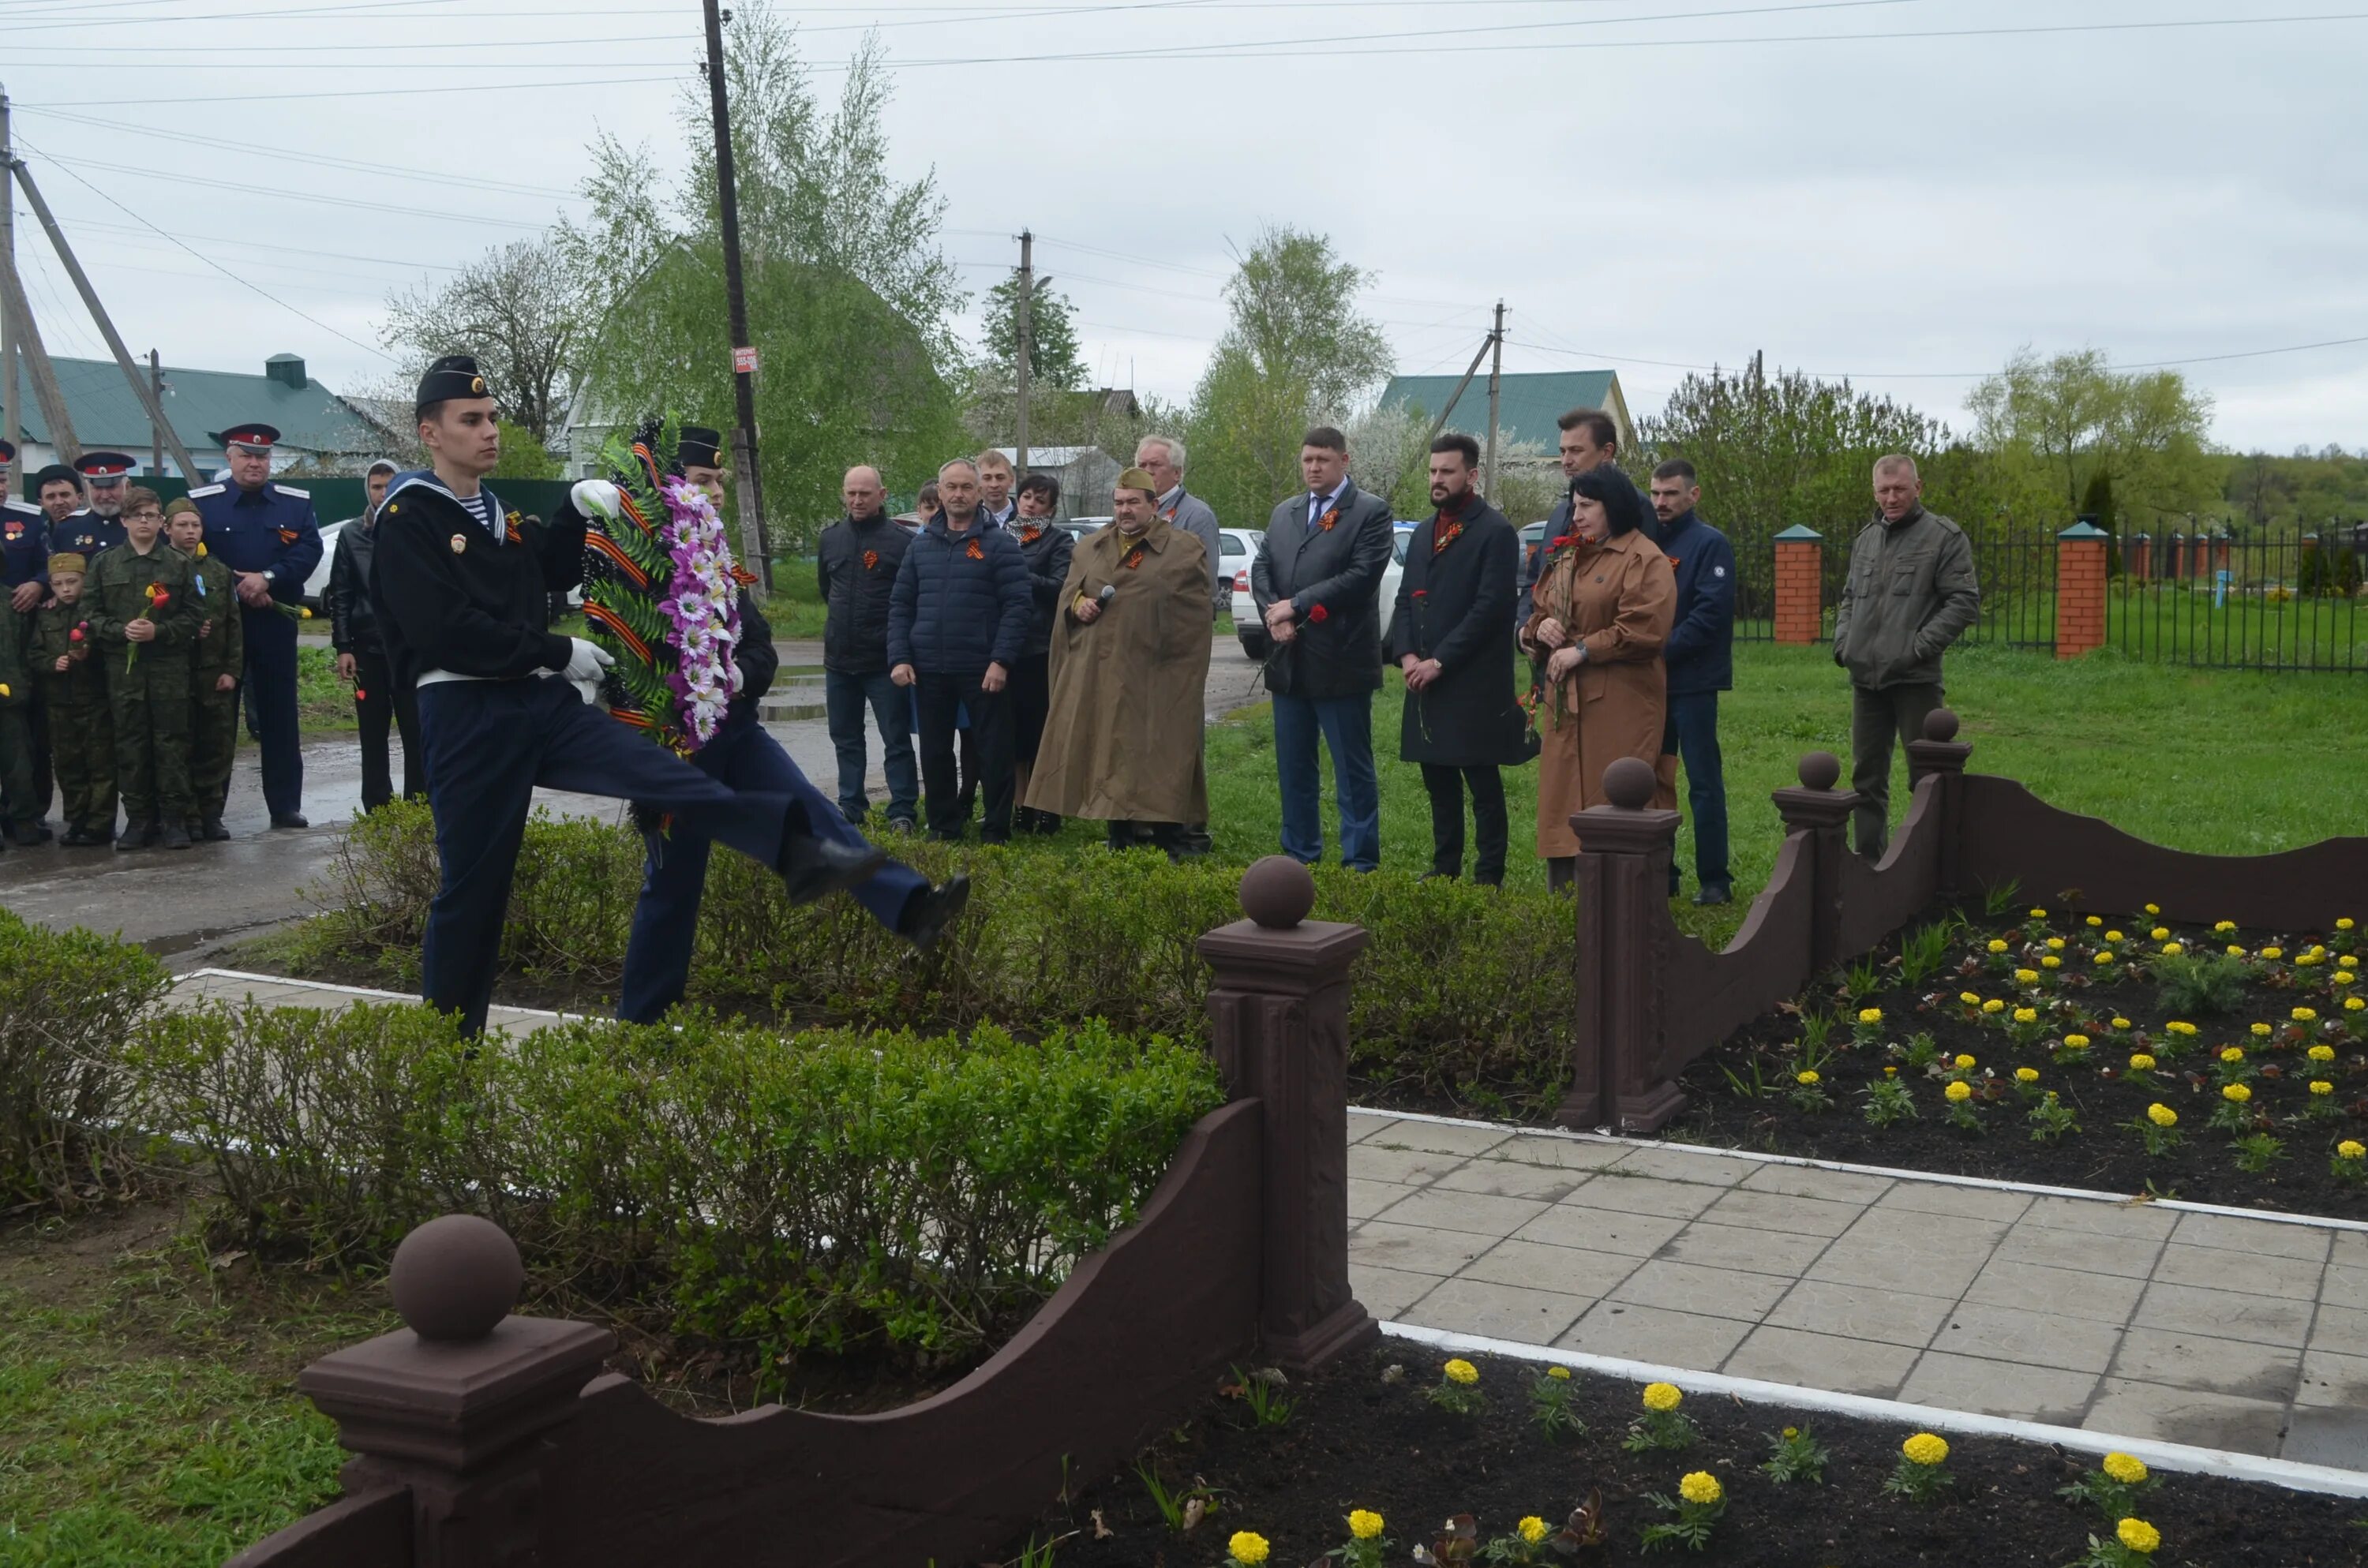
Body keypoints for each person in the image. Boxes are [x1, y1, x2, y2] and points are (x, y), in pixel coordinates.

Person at [369, 354, 886, 1035]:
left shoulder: (493, 511)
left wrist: (576, 507)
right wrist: (559, 651)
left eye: (492, 417)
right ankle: (446, 1055)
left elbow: (547, 570)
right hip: (467, 713)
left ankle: (799, 857)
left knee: (668, 775)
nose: (489, 431)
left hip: (538, 701)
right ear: (430, 433)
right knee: (473, 893)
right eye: (472, 421)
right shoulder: (410, 516)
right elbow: (442, 631)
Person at [617, 430, 968, 1025]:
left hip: (735, 729)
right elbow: (634, 653)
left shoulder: (717, 558)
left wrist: (732, 678)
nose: (717, 493)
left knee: (814, 810)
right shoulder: (647, 560)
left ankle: (911, 907)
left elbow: (759, 646)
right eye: (704, 482)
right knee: (673, 885)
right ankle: (644, 1022)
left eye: (720, 482)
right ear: (671, 489)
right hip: (676, 748)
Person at [1025, 467, 1210, 857]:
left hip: (1157, 673)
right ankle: (1120, 834)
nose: (1125, 511)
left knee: (1160, 750)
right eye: (1119, 503)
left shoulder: (1185, 548)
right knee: (1109, 749)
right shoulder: (1090, 547)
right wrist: (1078, 604)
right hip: (1102, 671)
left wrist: (1173, 662)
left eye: (1133, 503)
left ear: (1153, 505)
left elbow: (1194, 617)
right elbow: (1069, 595)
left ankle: (1170, 837)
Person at [1521, 466, 1676, 892]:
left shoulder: (1644, 557)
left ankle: (1627, 907)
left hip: (1620, 705)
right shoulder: (1569, 555)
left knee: (1619, 797)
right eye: (1575, 506)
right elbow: (1540, 609)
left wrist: (1584, 649)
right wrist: (1537, 631)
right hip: (1567, 710)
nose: (1578, 516)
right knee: (1563, 805)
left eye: (1588, 506)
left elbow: (1645, 628)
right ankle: (1567, 910)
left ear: (1616, 506)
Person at [1250, 425, 1394, 872]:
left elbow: (1361, 576)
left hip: (1341, 659)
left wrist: (1296, 605)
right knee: (1294, 767)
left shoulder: (1370, 512)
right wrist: (1273, 615)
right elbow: (1261, 566)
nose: (1313, 467)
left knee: (1352, 770)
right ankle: (1299, 855)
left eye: (1323, 460)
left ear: (1344, 461)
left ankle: (1360, 862)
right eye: (1308, 459)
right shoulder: (1285, 512)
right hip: (1288, 659)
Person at [1390, 435, 1527, 886]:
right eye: (1432, 471)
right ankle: (1445, 867)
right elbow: (1408, 597)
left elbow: (1490, 609)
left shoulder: (1496, 531)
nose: (1436, 479)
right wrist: (1408, 653)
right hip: (1426, 677)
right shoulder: (1426, 531)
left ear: (1471, 475)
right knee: (1438, 781)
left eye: (1446, 472)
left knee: (1482, 783)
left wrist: (1440, 661)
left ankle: (1489, 876)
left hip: (1473, 681)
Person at [1834, 454, 1980, 859]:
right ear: (1874, 491)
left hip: (1916, 680)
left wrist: (1916, 648)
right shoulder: (1866, 539)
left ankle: (1925, 867)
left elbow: (1964, 602)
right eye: (1884, 490)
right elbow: (1848, 599)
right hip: (1866, 679)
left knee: (1926, 778)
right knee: (1867, 778)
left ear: (1918, 488)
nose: (1892, 497)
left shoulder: (1944, 538)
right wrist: (1844, 644)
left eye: (1900, 488)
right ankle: (1869, 863)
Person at [887, 458, 1029, 844]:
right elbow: (900, 604)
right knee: (934, 754)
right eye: (951, 487)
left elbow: (1018, 606)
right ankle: (944, 826)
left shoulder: (1000, 544)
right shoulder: (921, 546)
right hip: (929, 668)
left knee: (993, 751)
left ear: (979, 492)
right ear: (940, 490)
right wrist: (899, 657)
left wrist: (1001, 661)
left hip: (983, 669)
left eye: (967, 487)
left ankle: (997, 828)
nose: (958, 494)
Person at [189, 425, 321, 829]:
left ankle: (285, 805)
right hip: (222, 625)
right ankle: (210, 809)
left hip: (274, 620)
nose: (254, 463)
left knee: (279, 714)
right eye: (246, 455)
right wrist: (240, 587)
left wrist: (267, 578)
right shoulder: (204, 505)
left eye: (262, 457)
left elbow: (309, 549)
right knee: (217, 715)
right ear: (229, 458)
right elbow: (191, 555)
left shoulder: (294, 504)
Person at [86, 485, 199, 850]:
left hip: (168, 669)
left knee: (172, 744)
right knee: (130, 746)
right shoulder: (105, 564)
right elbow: (89, 613)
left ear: (161, 521)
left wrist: (159, 631)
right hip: (124, 671)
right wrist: (121, 632)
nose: (145, 522)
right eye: (138, 516)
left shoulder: (178, 564)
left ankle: (173, 821)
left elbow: (195, 616)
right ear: (124, 521)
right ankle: (138, 820)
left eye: (152, 516)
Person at [1648, 460, 1737, 904]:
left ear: (1693, 495)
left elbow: (1710, 615)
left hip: (1693, 683)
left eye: (1671, 494)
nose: (1662, 502)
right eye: (1656, 494)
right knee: (1651, 780)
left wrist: (1652, 649)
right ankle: (1662, 872)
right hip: (1647, 686)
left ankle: (1715, 879)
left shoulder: (1710, 544)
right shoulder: (1643, 544)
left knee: (1702, 781)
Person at [816, 462, 920, 831]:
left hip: (885, 661)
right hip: (839, 660)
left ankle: (903, 810)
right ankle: (851, 806)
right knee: (845, 737)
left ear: (882, 495)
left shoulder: (903, 542)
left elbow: (910, 601)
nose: (857, 500)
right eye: (851, 493)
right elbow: (827, 592)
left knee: (895, 738)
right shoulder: (830, 539)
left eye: (865, 493)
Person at [1134, 432, 1223, 855]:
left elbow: (1200, 585)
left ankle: (1189, 829)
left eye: (1155, 465)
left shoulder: (1195, 515)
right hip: (1136, 645)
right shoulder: (1131, 514)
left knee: (1181, 734)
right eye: (1142, 464)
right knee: (1141, 735)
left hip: (1178, 644)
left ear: (1177, 472)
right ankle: (1147, 822)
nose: (1147, 470)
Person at [328, 458, 422, 811]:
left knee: (416, 730)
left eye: (389, 485)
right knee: (372, 731)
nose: (383, 493)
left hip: (410, 648)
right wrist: (343, 646)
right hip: (367, 647)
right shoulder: (353, 534)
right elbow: (342, 592)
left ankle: (419, 803)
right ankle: (378, 806)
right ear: (367, 490)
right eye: (376, 486)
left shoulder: (414, 526)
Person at [166, 499, 242, 840]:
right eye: (182, 525)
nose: (190, 532)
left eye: (195, 525)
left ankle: (212, 814)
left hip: (212, 672)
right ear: (167, 529)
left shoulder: (218, 572)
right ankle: (185, 816)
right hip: (175, 672)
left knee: (215, 746)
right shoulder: (161, 569)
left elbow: (234, 625)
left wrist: (232, 669)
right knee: (180, 745)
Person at [30, 553, 115, 847]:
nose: (66, 589)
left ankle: (100, 823)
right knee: (68, 766)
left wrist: (88, 656)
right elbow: (34, 654)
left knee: (100, 764)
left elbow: (110, 651)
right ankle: (77, 820)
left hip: (93, 700)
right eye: (58, 584)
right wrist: (52, 663)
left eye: (72, 582)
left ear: (84, 581)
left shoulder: (94, 614)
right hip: (58, 702)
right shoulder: (46, 615)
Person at [1008, 470, 1073, 836]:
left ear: (1050, 509)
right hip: (1007, 647)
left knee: (1043, 732)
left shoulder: (1058, 541)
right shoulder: (1000, 537)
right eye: (1027, 497)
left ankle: (1048, 806)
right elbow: (978, 566)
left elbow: (1060, 588)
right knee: (1015, 735)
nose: (1030, 504)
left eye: (1040, 500)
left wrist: (1020, 574)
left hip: (1041, 647)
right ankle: (1021, 807)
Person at [1519, 409, 1628, 627]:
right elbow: (1536, 579)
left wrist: (1581, 649)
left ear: (1606, 452)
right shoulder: (1561, 513)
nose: (1566, 461)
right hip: (1549, 650)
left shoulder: (1631, 508)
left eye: (1576, 451)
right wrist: (1525, 630)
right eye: (1562, 451)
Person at [2, 441, 53, 845]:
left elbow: (47, 565)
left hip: (17, 645)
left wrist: (38, 583)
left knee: (20, 739)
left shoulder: (29, 520)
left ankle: (24, 817)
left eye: (2, 479)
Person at [73, 452, 137, 552]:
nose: (105, 496)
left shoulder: (145, 526)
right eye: (97, 488)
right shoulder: (69, 529)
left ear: (127, 487)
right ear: (87, 489)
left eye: (112, 487)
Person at [976, 449, 1018, 528]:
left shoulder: (1026, 518)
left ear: (1011, 481)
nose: (994, 485)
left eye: (1000, 478)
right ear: (977, 482)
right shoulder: (968, 521)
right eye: (987, 478)